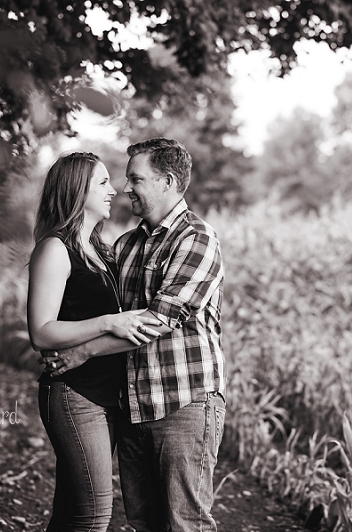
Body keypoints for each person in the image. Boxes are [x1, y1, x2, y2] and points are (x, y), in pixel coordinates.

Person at [42, 138, 226, 532]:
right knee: (144, 523)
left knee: (185, 523)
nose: (126, 188)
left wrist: (83, 352)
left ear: (168, 181)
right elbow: (108, 315)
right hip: (132, 409)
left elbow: (159, 320)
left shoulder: (196, 238)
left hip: (183, 403)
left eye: (136, 179)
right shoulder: (124, 246)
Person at [27, 151, 162, 532]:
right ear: (76, 190)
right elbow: (41, 331)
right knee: (93, 516)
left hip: (106, 396)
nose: (115, 190)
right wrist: (109, 321)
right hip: (75, 393)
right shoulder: (55, 248)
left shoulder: (101, 249)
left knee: (72, 514)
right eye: (103, 183)